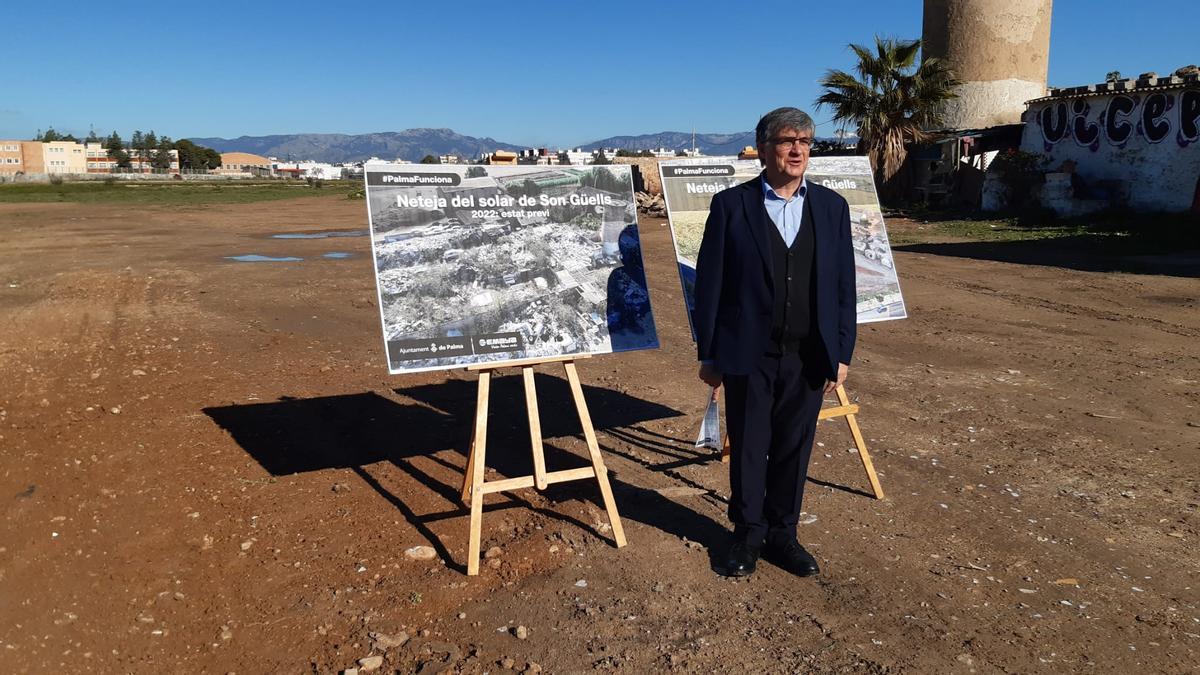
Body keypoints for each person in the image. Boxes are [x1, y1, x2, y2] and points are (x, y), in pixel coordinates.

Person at [693, 107, 856, 578]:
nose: (798, 149)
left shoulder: (831, 208)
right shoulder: (731, 206)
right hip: (749, 353)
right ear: (764, 149)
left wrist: (842, 354)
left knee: (793, 446)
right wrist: (709, 351)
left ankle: (783, 534)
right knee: (749, 445)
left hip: (808, 355)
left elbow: (843, 287)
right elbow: (711, 286)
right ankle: (747, 532)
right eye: (788, 140)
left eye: (805, 140)